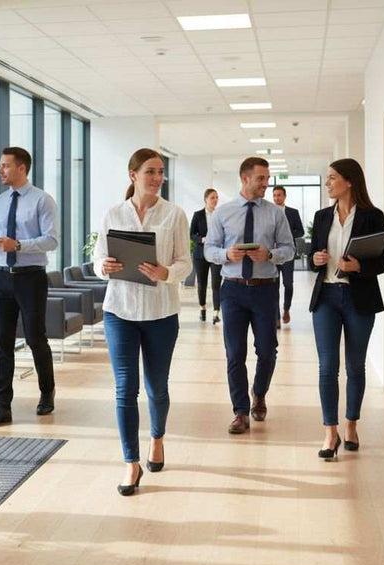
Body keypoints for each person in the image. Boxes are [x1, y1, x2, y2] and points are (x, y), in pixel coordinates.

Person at [92, 148, 191, 496]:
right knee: (124, 389)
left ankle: (157, 438)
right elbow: (98, 257)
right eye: (150, 171)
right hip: (119, 310)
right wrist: (102, 266)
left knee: (157, 387)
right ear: (133, 175)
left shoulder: (174, 214)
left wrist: (166, 272)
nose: (157, 177)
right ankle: (131, 464)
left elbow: (185, 263)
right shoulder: (114, 213)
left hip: (161, 314)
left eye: (160, 171)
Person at [0, 147, 58, 428]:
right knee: (2, 343)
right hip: (2, 276)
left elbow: (51, 241)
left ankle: (46, 392)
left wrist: (18, 245)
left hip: (31, 277)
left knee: (35, 338)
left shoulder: (42, 200)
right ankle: (2, 406)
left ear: (22, 168)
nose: (0, 170)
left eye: (5, 166)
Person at [204, 157, 295, 435]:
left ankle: (259, 393)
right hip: (232, 288)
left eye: (267, 179)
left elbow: (290, 249)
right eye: (261, 179)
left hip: (266, 288)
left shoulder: (276, 213)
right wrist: (225, 255)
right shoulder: (223, 213)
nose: (266, 184)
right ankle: (240, 412)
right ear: (245, 179)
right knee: (235, 353)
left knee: (267, 351)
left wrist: (269, 254)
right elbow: (209, 250)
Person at [308, 158, 384, 460]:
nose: (328, 183)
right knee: (327, 367)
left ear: (349, 181)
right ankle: (331, 433)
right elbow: (312, 256)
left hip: (359, 299)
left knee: (355, 366)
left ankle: (351, 424)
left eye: (332, 178)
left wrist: (359, 266)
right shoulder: (320, 217)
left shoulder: (372, 216)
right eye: (327, 178)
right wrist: (315, 259)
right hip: (326, 298)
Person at [272, 186, 305, 327]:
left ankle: (286, 309)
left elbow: (301, 231)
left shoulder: (293, 212)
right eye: (274, 195)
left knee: (288, 283)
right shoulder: (268, 211)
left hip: (287, 254)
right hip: (272, 255)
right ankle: (276, 317)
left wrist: (287, 236)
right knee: (273, 286)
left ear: (284, 196)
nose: (276, 198)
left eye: (279, 195)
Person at [189, 188, 223, 324]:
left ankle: (216, 312)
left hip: (216, 253)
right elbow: (192, 234)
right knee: (202, 283)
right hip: (200, 254)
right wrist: (201, 239)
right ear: (206, 199)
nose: (215, 200)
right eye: (212, 198)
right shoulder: (198, 215)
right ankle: (202, 308)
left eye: (216, 197)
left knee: (216, 283)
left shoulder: (220, 215)